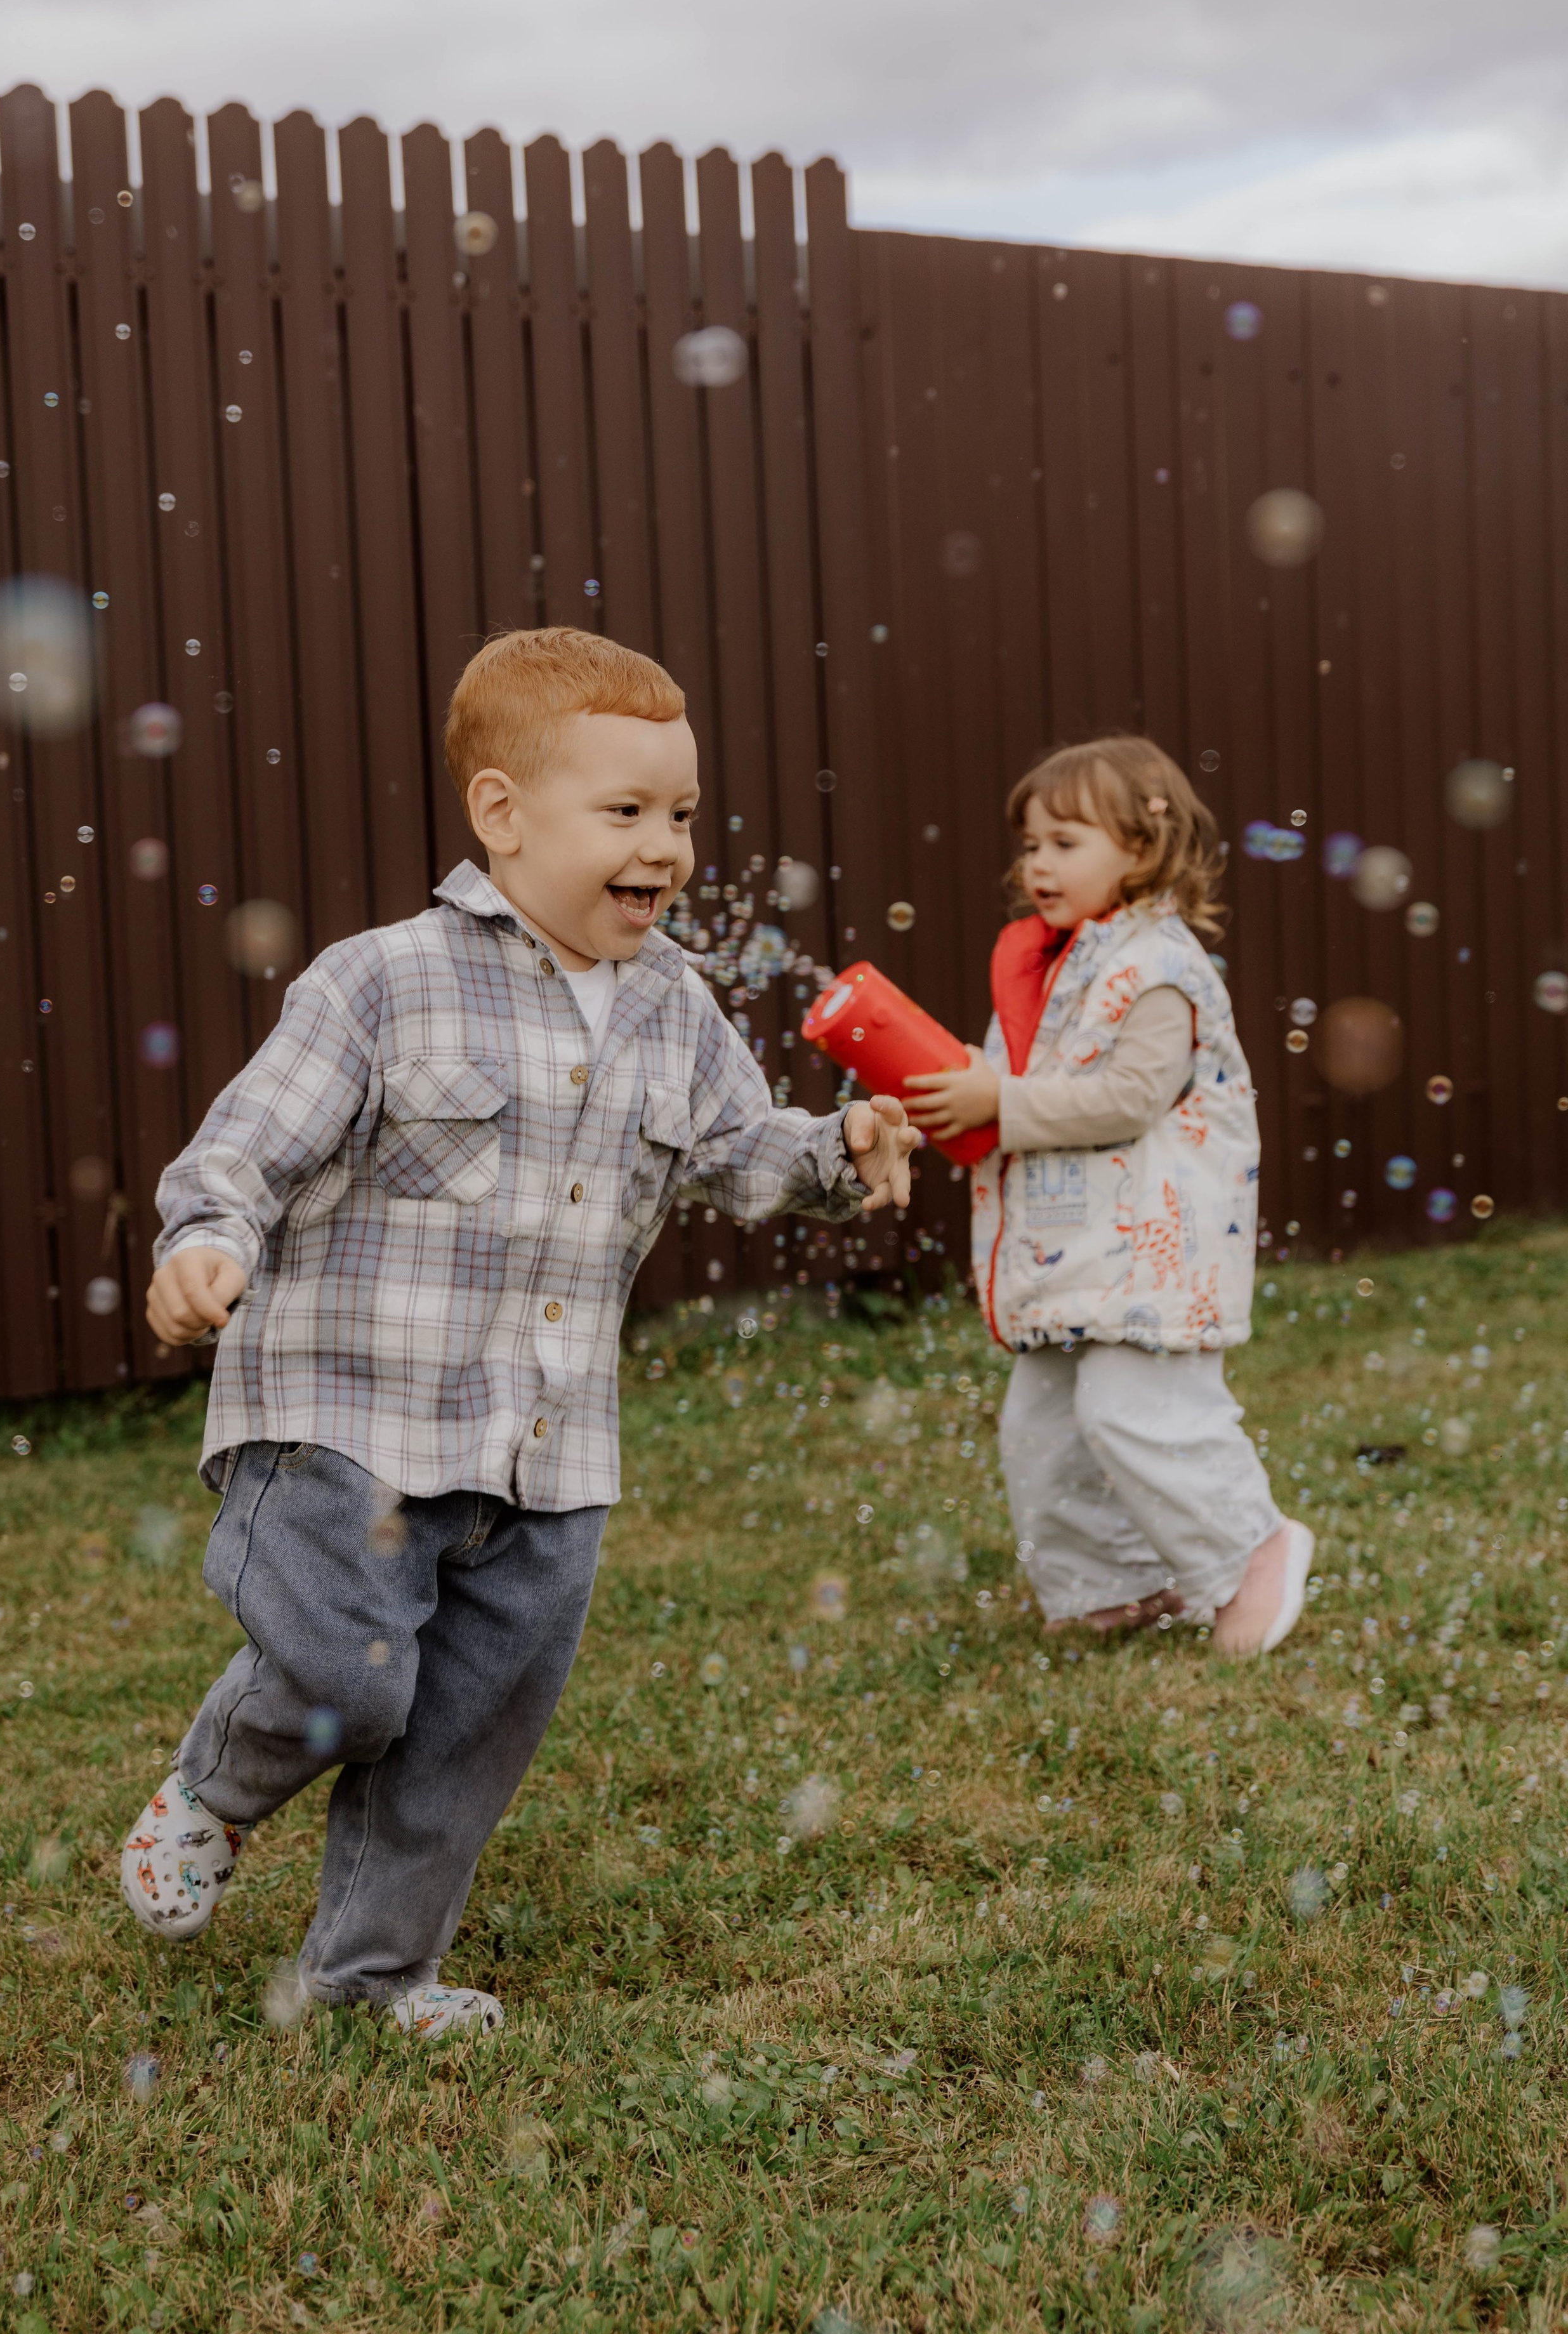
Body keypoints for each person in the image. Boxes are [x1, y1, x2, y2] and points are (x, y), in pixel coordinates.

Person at [121, 626, 917, 2036]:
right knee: (351, 1682)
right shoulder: (380, 982)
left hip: (548, 1455)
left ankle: (371, 1979)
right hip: (349, 1426)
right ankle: (219, 1784)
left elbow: (738, 1153)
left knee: (467, 1733)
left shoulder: (674, 1007)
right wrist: (204, 1244)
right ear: (502, 812)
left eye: (681, 814)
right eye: (626, 811)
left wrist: (835, 1147)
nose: (665, 847)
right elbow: (243, 1150)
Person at [904, 733, 1310, 1656]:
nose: (1037, 864)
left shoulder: (1160, 966)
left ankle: (1252, 1548)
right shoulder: (1055, 968)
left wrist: (1000, 1102)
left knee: (1136, 1411)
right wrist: (961, 1085)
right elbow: (1024, 1074)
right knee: (1042, 1427)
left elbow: (1132, 1096)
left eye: (1065, 842)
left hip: (1155, 1249)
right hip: (1075, 1250)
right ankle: (1112, 1586)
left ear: (1142, 848)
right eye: (1030, 845)